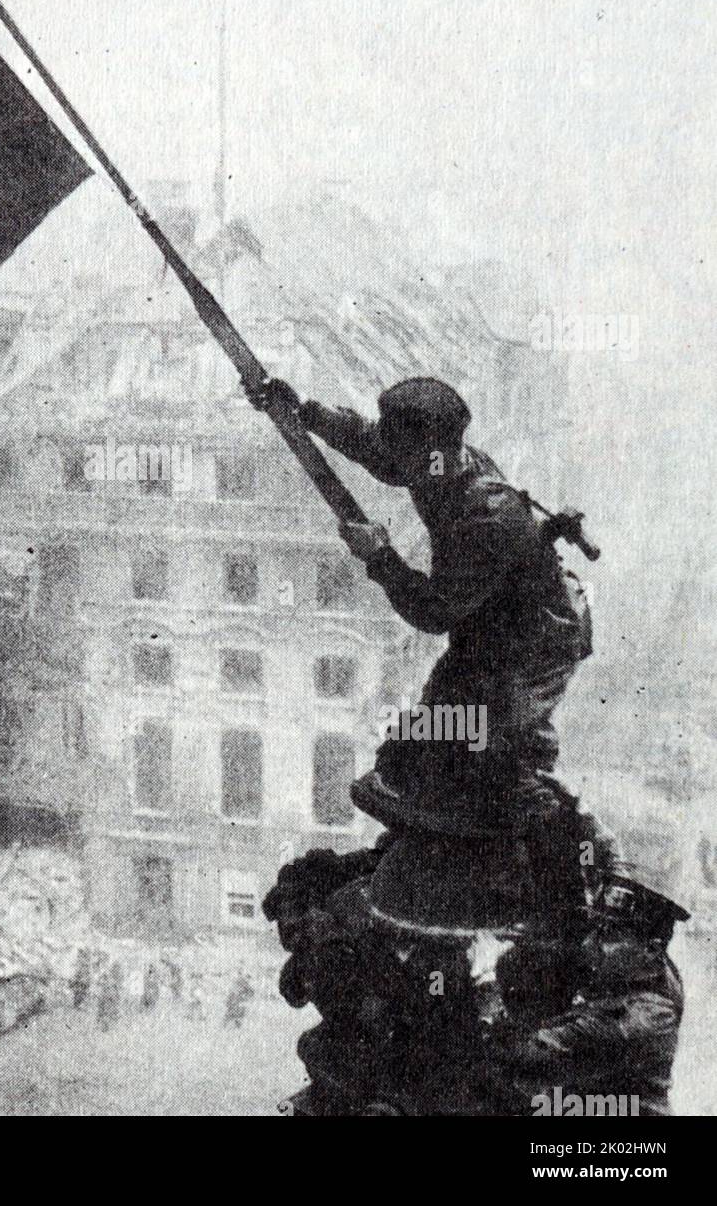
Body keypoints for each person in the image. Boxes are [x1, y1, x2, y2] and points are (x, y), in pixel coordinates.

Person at [246, 375, 592, 827]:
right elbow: (375, 448)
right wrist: (306, 414)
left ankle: (571, 830)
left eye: (402, 447)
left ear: (431, 449)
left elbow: (432, 612)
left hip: (537, 642)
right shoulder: (436, 462)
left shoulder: (485, 514)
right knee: (423, 744)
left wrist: (381, 557)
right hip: (489, 621)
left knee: (497, 758)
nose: (394, 457)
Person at [489, 867, 688, 1116]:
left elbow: (527, 1056)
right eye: (595, 929)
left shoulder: (640, 1016)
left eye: (608, 935)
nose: (591, 942)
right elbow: (570, 955)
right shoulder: (646, 969)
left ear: (652, 949)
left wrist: (487, 1018)